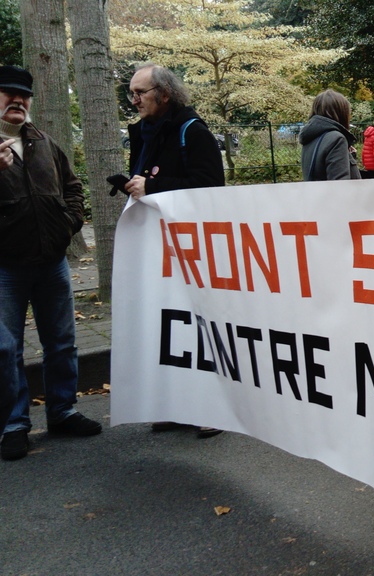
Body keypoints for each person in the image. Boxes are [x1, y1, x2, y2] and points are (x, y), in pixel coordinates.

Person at [0, 65, 102, 461]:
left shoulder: (44, 141)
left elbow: (74, 187)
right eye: (8, 93)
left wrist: (70, 223)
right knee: (6, 349)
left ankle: (62, 411)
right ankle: (13, 425)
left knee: (61, 342)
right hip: (6, 267)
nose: (18, 100)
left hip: (52, 262)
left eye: (23, 95)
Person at [125, 63, 226, 439]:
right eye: (131, 93)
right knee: (170, 326)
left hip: (192, 248)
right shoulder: (146, 132)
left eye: (140, 92)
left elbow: (209, 184)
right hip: (161, 246)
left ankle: (213, 409)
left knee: (200, 325)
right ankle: (177, 405)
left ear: (164, 94)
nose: (134, 100)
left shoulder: (192, 131)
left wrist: (151, 188)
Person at [300, 89, 360, 182]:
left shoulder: (311, 137)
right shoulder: (336, 139)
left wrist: (349, 157)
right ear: (341, 113)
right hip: (335, 196)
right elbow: (340, 184)